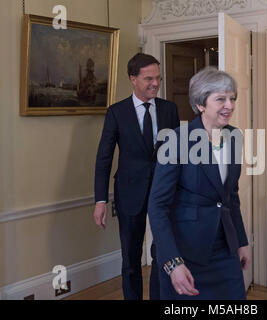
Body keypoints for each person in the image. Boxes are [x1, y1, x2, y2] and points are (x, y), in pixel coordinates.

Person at [148, 67, 250, 300]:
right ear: (201, 104)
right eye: (221, 99)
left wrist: (241, 241)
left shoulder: (235, 137)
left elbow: (231, 197)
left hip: (225, 248)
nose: (230, 105)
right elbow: (157, 207)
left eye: (232, 98)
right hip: (184, 252)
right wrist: (173, 263)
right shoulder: (176, 140)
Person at [93, 53, 180, 300]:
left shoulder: (169, 110)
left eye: (158, 78)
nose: (155, 83)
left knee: (162, 254)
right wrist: (100, 200)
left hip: (164, 195)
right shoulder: (117, 112)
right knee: (130, 259)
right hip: (129, 194)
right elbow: (104, 159)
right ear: (133, 79)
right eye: (148, 78)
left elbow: (177, 156)